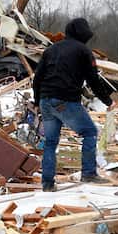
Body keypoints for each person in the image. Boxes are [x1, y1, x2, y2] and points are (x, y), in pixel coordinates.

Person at [32, 17, 113, 192]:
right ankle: (89, 173)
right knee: (90, 132)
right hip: (65, 100)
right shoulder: (83, 51)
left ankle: (47, 184)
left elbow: (37, 78)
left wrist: (37, 101)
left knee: (50, 142)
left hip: (46, 100)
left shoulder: (51, 50)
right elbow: (93, 80)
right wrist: (108, 101)